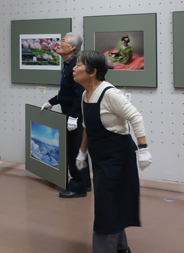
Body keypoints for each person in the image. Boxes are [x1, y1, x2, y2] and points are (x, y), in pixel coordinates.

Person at [73, 50, 152, 253]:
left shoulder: (109, 93)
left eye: (79, 64)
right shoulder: (85, 95)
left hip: (118, 158)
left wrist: (143, 149)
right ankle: (121, 248)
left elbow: (136, 118)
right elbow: (87, 127)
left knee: (106, 205)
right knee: (111, 203)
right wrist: (82, 153)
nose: (74, 68)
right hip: (101, 159)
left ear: (93, 71)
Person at [41, 33, 91, 198]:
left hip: (75, 115)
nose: (58, 43)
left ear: (72, 47)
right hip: (72, 113)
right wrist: (52, 101)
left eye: (63, 41)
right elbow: (67, 92)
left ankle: (77, 187)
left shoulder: (75, 65)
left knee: (75, 150)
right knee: (78, 148)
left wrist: (74, 117)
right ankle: (85, 183)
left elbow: (79, 93)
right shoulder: (69, 64)